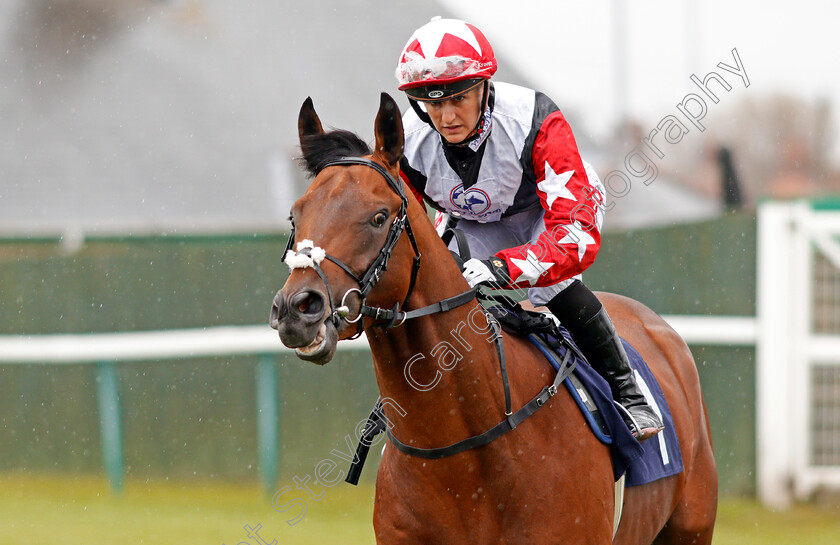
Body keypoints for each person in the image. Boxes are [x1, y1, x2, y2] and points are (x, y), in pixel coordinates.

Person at [394, 17, 663, 441]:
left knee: (550, 288)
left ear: (484, 86)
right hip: (472, 218)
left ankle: (628, 391)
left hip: (549, 211)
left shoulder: (536, 117)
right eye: (431, 102)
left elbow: (575, 238)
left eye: (459, 98)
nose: (445, 116)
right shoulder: (408, 143)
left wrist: (504, 268)